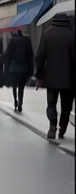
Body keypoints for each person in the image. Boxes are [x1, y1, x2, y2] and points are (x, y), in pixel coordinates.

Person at [35, 12, 75, 140]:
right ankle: (62, 128)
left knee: (51, 104)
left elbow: (40, 56)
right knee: (66, 106)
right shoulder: (72, 35)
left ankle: (52, 125)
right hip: (69, 79)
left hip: (51, 77)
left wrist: (39, 75)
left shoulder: (47, 34)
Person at [4, 30, 34, 112]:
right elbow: (30, 55)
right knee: (21, 87)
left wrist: (6, 68)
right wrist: (31, 69)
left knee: (14, 85)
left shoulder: (12, 41)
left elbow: (8, 55)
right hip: (24, 67)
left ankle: (15, 101)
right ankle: (20, 102)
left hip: (13, 67)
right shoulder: (26, 41)